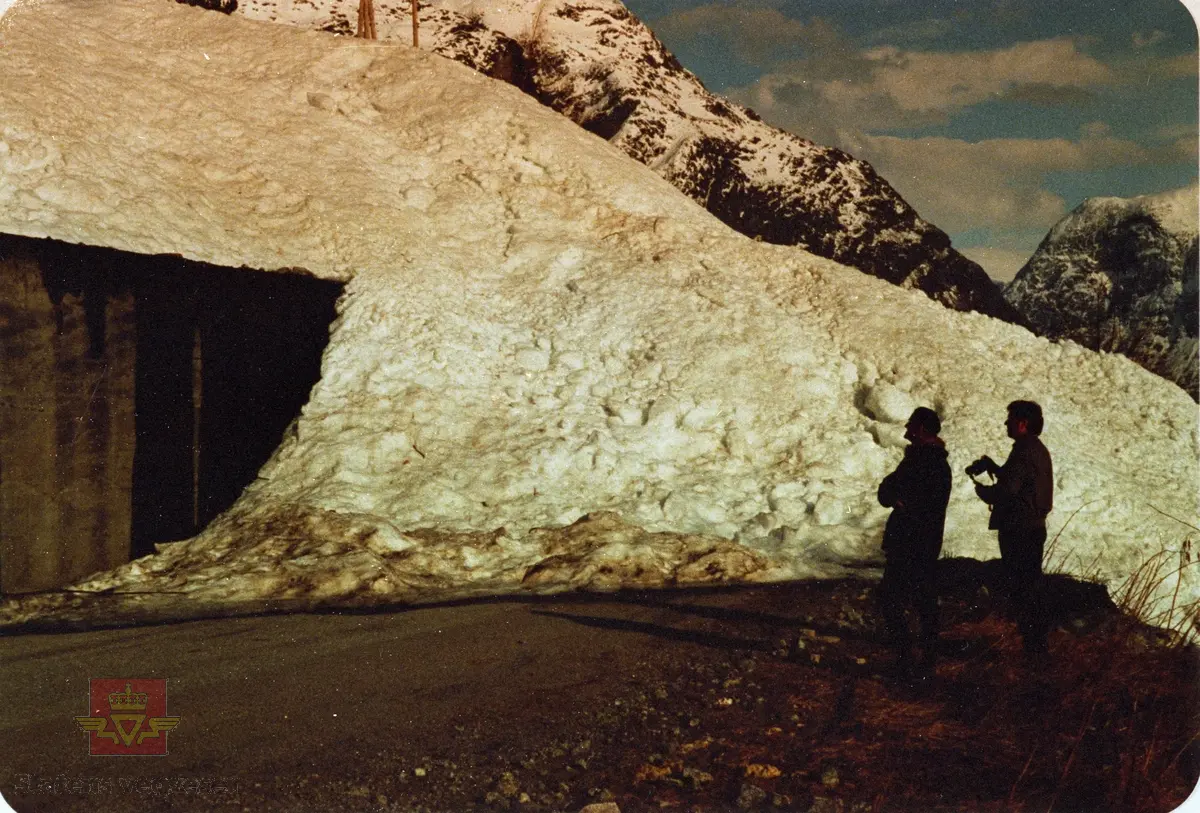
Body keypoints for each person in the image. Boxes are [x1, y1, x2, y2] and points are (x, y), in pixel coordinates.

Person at [969, 400, 1054, 656]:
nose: (1006, 423)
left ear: (1022, 423)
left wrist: (984, 491)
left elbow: (1007, 491)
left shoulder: (1023, 451)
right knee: (1029, 587)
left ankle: (1034, 651)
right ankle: (1035, 649)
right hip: (1031, 528)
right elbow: (1020, 482)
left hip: (1019, 530)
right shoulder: (1035, 449)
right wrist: (994, 468)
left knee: (1023, 590)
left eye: (1009, 419)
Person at [877, 406, 952, 675]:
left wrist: (900, 500)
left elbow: (892, 491)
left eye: (911, 426)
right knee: (918, 599)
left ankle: (912, 657)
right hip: (917, 543)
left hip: (912, 543)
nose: (907, 431)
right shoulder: (926, 461)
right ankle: (920, 656)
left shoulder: (926, 463)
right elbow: (887, 490)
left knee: (899, 598)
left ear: (921, 429)